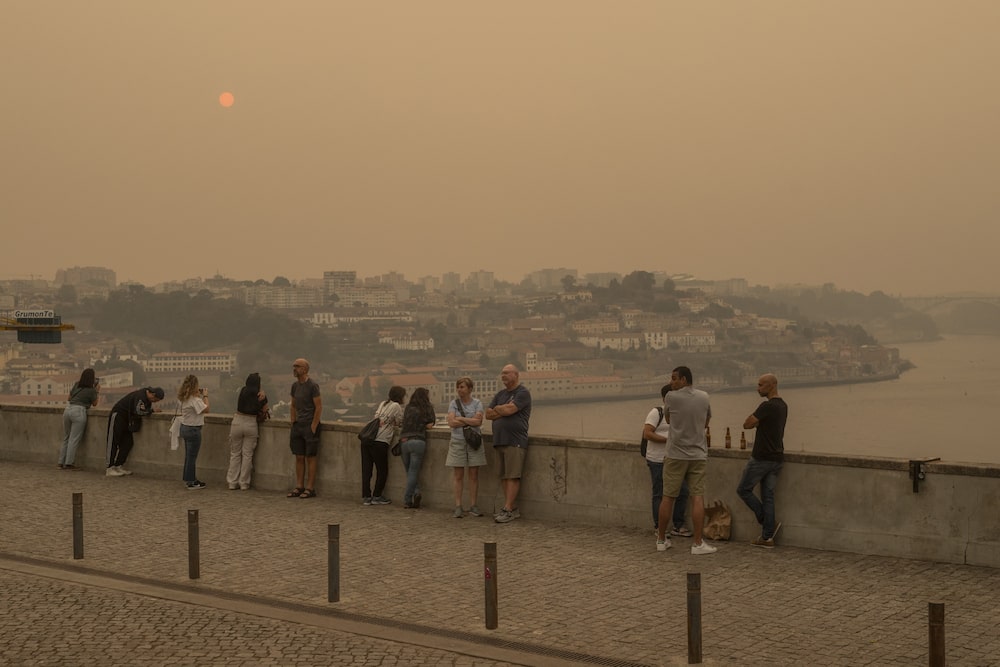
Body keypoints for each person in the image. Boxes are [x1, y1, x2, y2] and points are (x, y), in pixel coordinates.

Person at [656, 366, 717, 555]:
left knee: (668, 497)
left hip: (675, 454)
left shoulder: (671, 397)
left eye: (674, 378)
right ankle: (698, 544)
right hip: (698, 455)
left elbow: (668, 419)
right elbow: (706, 422)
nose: (671, 382)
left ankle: (661, 540)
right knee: (697, 497)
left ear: (684, 379)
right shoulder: (704, 396)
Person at [738, 373, 788, 548]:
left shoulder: (766, 406)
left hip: (762, 458)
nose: (757, 388)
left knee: (743, 490)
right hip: (777, 458)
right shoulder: (783, 406)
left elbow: (747, 424)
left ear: (772, 385)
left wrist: (756, 422)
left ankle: (768, 523)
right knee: (768, 496)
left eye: (761, 385)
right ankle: (767, 538)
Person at [486, 364, 532, 524]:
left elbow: (509, 411)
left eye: (506, 373)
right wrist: (502, 409)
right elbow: (488, 414)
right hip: (499, 440)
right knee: (504, 476)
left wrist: (499, 409)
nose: (503, 376)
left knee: (513, 476)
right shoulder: (500, 394)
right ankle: (509, 508)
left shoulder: (523, 393)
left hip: (515, 441)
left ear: (516, 375)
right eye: (502, 373)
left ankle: (508, 509)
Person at [643, 384, 691, 536]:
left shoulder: (680, 414)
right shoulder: (656, 412)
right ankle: (659, 527)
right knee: (659, 493)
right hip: (657, 460)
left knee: (683, 491)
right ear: (665, 398)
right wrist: (668, 440)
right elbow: (647, 434)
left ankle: (678, 525)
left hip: (675, 459)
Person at [445, 376, 486, 518]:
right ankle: (458, 506)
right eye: (458, 387)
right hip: (457, 441)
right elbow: (451, 423)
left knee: (474, 475)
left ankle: (473, 505)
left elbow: (478, 421)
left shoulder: (477, 403)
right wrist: (470, 420)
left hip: (473, 442)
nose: (459, 390)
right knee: (458, 475)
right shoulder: (453, 403)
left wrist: (461, 419)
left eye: (462, 387)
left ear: (469, 389)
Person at [105, 386, 164, 476]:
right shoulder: (141, 396)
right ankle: (109, 468)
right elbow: (138, 411)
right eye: (156, 400)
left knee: (128, 442)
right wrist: (151, 411)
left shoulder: (147, 400)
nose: (155, 402)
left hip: (127, 420)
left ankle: (118, 465)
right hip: (118, 416)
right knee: (113, 441)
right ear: (152, 394)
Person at [362, 385, 405, 506]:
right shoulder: (396, 406)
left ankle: (366, 496)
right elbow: (399, 422)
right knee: (382, 470)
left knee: (367, 469)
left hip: (368, 439)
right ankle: (377, 496)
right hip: (380, 440)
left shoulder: (383, 404)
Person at [226, 372, 268, 491]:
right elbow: (265, 410)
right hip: (251, 422)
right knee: (247, 455)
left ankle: (232, 482)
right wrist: (263, 394)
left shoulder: (243, 391)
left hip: (238, 421)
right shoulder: (261, 395)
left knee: (235, 454)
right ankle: (244, 483)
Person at [287, 358, 322, 499]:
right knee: (299, 456)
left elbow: (318, 406)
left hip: (309, 425)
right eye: (294, 366)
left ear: (305, 369)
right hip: (298, 425)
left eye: (297, 366)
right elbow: (293, 405)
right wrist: (293, 421)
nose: (294, 368)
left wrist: (313, 425)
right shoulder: (294, 386)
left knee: (310, 457)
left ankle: (310, 488)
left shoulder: (313, 385)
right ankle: (299, 486)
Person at [398, 387, 436, 509]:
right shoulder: (427, 408)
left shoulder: (409, 407)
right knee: (413, 471)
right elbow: (430, 425)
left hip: (404, 440)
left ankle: (417, 492)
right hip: (418, 441)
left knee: (409, 471)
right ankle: (408, 499)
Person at [58, 368, 100, 470]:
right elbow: (95, 404)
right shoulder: (91, 390)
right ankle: (69, 463)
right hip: (79, 411)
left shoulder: (77, 384)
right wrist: (97, 391)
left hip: (68, 410)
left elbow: (69, 398)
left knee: (66, 437)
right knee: (74, 439)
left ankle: (60, 462)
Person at [177, 375, 210, 489]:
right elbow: (206, 409)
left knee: (188, 456)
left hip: (185, 427)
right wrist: (205, 395)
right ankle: (191, 482)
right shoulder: (195, 400)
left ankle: (189, 479)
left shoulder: (184, 398)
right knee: (192, 457)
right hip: (193, 430)